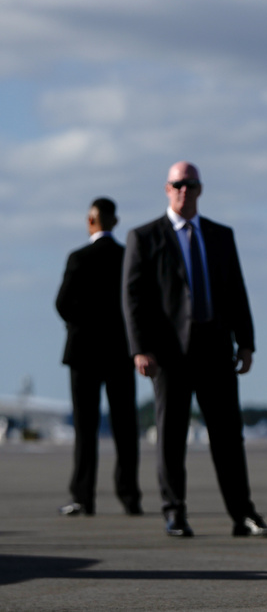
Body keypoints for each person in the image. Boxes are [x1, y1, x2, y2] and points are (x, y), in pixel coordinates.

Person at [122, 162, 267, 538]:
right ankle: (174, 513)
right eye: (178, 184)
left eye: (190, 185)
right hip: (169, 354)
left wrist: (247, 343)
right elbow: (133, 298)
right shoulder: (144, 237)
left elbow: (237, 291)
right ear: (167, 188)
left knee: (228, 437)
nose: (184, 191)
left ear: (200, 189)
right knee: (171, 437)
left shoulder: (220, 235)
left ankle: (243, 515)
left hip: (215, 349)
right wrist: (140, 348)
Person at [55, 197, 142, 517]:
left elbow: (62, 304)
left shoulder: (78, 258)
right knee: (125, 429)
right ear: (115, 222)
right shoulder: (126, 257)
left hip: (84, 353)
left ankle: (83, 496)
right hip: (120, 351)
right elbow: (138, 302)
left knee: (85, 429)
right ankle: (130, 495)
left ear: (90, 222)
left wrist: (83, 324)